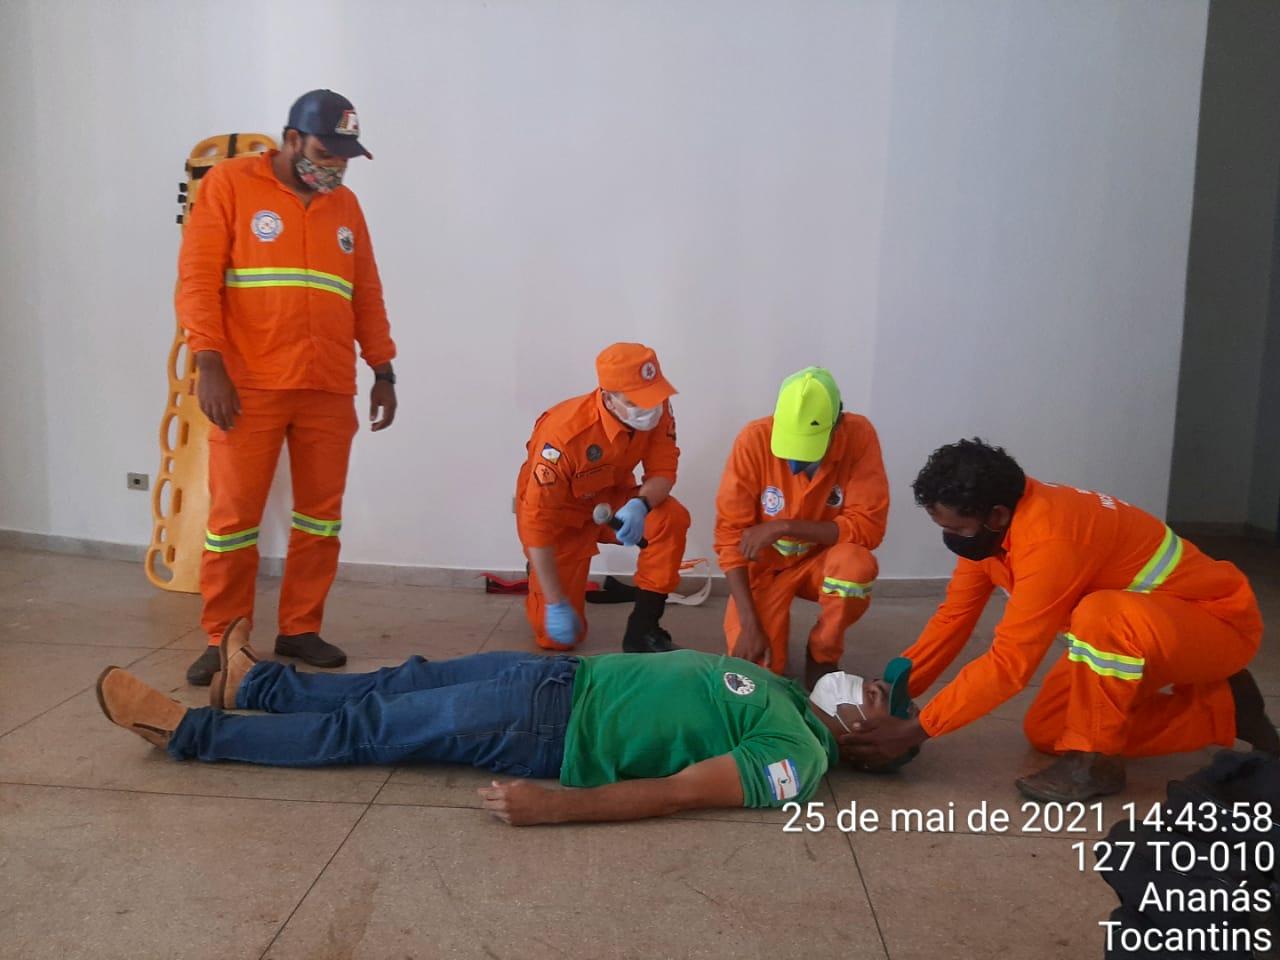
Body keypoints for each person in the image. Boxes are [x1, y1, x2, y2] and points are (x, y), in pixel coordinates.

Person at [94, 619, 901, 825]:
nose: (870, 687)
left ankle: (189, 734)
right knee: (402, 681)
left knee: (373, 727)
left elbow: (687, 792)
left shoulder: (799, 752)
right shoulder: (792, 696)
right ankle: (258, 686)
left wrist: (563, 806)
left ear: (861, 743)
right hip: (561, 677)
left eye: (877, 701)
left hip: (554, 729)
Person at [841, 438, 1279, 802]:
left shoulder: (1050, 538)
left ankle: (1096, 763)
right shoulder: (993, 534)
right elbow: (954, 617)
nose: (951, 539)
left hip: (1217, 625)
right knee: (1050, 731)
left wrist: (916, 730)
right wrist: (898, 687)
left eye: (956, 529)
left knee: (1101, 615)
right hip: (1148, 633)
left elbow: (1011, 662)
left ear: (994, 515)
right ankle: (1221, 709)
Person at [176, 89, 398, 685]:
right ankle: (224, 636)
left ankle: (300, 627)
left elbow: (366, 293)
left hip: (326, 385)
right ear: (291, 139)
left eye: (346, 158)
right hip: (249, 384)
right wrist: (209, 362)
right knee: (233, 520)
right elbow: (197, 278)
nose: (336, 167)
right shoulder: (229, 185)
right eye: (328, 152)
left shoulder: (344, 205)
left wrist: (383, 368)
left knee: (320, 519)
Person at [714, 367, 889, 688]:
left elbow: (868, 527)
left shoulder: (859, 436)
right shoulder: (753, 440)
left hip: (821, 565)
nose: (795, 463)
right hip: (762, 570)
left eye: (808, 450)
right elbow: (729, 537)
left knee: (855, 566)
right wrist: (750, 624)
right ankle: (764, 629)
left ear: (837, 427)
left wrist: (784, 527)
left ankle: (823, 654)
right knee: (757, 674)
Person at [515, 343, 689, 653]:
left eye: (653, 397)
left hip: (613, 506)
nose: (649, 409)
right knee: (556, 639)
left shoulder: (656, 409)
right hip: (560, 525)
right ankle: (542, 581)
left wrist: (641, 504)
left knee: (670, 517)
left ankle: (644, 628)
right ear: (607, 397)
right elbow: (536, 526)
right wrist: (556, 603)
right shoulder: (563, 436)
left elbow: (663, 470)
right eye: (635, 401)